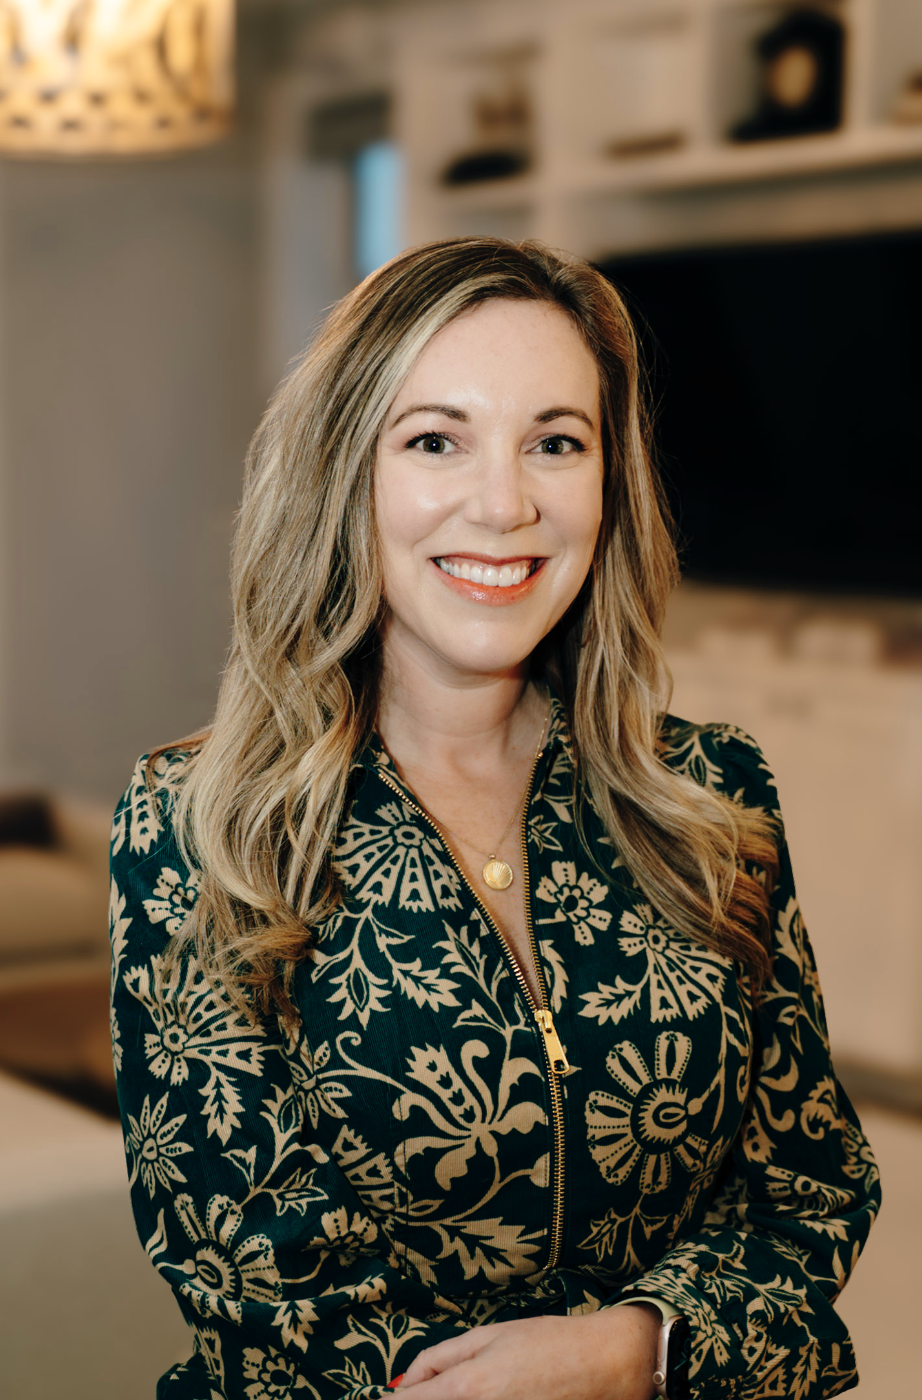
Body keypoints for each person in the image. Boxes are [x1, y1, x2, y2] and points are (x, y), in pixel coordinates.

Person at [110, 237, 879, 1400]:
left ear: (605, 481)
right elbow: (262, 1297)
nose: (506, 502)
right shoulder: (200, 823)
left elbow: (809, 1190)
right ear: (344, 474)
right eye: (435, 440)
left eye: (555, 443)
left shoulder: (715, 797)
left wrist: (634, 1347)